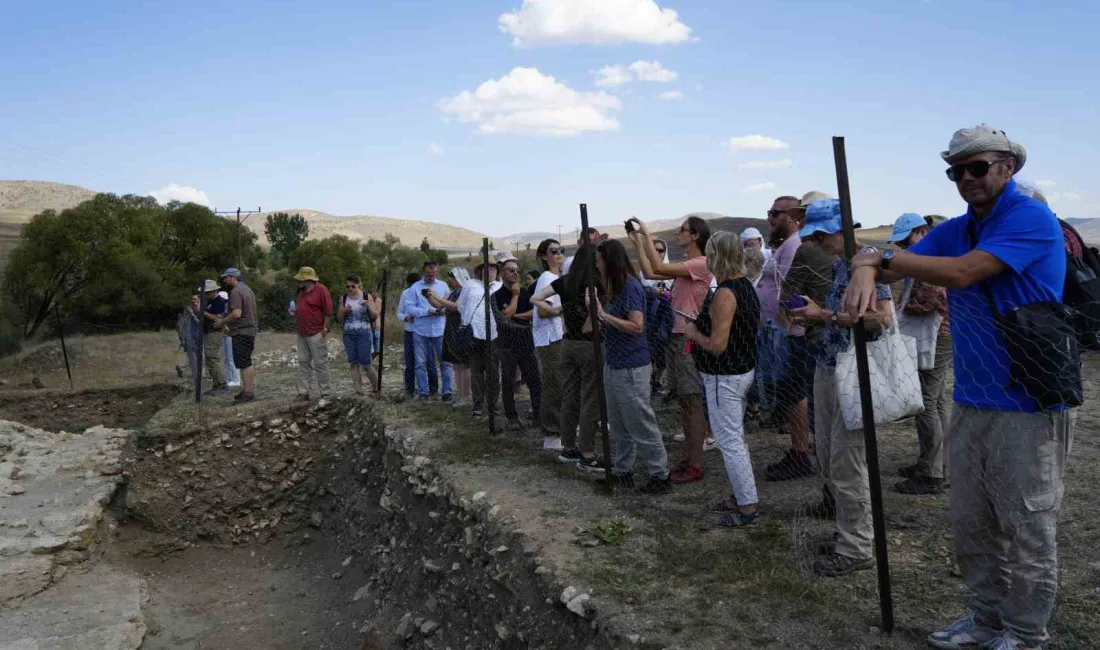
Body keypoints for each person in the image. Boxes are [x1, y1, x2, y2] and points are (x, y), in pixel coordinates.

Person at [844, 125, 1072, 650]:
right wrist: (865, 261)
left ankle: (1025, 632)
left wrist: (877, 263)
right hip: (972, 399)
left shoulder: (1029, 218)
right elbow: (893, 251)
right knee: (972, 522)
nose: (966, 178)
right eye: (956, 171)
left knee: (1026, 526)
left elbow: (966, 273)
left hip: (1028, 400)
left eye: (978, 166)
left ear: (1008, 166)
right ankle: (987, 618)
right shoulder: (961, 225)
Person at [786, 199, 894, 578]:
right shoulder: (837, 267)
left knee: (848, 462)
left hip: (853, 372)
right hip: (829, 366)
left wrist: (824, 315)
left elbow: (882, 321)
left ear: (839, 230)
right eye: (813, 236)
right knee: (832, 456)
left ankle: (857, 546)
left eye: (820, 234)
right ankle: (848, 532)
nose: (817, 242)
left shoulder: (871, 267)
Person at [684, 232, 761, 527]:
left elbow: (717, 344)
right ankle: (741, 496)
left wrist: (693, 334)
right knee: (735, 438)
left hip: (724, 376)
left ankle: (748, 508)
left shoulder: (726, 293)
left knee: (729, 442)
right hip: (739, 371)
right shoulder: (745, 286)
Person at [629, 216, 713, 484]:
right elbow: (652, 273)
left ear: (695, 235)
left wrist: (646, 235)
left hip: (687, 340)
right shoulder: (688, 265)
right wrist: (639, 243)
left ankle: (696, 463)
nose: (679, 233)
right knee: (685, 402)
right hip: (677, 339)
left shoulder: (699, 263)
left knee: (691, 401)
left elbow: (657, 267)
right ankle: (691, 457)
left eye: (683, 230)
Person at [595, 239, 672, 494]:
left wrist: (604, 316)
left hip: (631, 367)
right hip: (614, 363)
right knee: (618, 422)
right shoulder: (613, 287)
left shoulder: (630, 287)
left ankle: (660, 475)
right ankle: (623, 471)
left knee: (640, 421)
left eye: (599, 259)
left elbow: (637, 326)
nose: (596, 264)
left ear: (610, 261)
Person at [885, 213, 952, 495]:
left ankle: (932, 473)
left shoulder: (932, 259)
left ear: (923, 231)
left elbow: (932, 299)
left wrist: (900, 310)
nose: (903, 248)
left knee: (925, 402)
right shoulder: (931, 256)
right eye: (899, 243)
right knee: (935, 401)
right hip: (938, 335)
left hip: (936, 336)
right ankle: (937, 462)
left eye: (905, 240)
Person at [759, 195, 823, 483]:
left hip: (792, 333)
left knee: (796, 392)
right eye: (769, 213)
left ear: (791, 216)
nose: (770, 218)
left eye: (775, 213)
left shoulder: (794, 245)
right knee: (790, 391)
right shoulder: (786, 246)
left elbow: (792, 291)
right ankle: (799, 450)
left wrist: (786, 327)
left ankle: (801, 454)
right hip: (783, 332)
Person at [531, 244, 603, 471]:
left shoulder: (565, 281)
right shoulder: (595, 281)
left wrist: (557, 311)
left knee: (570, 396)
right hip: (590, 344)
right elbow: (594, 306)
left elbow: (536, 298)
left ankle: (568, 447)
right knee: (590, 398)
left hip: (567, 343)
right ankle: (587, 453)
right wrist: (592, 321)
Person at [494, 255, 542, 431]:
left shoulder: (525, 291)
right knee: (508, 381)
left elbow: (532, 313)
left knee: (534, 380)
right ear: (501, 273)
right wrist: (514, 296)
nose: (515, 273)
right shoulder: (497, 295)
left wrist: (514, 314)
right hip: (507, 344)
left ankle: (538, 414)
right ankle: (512, 418)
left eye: (516, 270)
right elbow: (504, 314)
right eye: (511, 270)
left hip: (526, 342)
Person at [532, 239, 566, 450]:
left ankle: (563, 426)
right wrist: (565, 308)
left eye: (561, 250)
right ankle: (551, 434)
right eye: (554, 251)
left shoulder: (558, 277)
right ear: (545, 257)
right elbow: (543, 311)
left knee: (562, 382)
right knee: (553, 383)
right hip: (549, 337)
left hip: (559, 335)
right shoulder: (546, 277)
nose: (559, 254)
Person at [404, 261, 452, 401]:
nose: (431, 276)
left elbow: (448, 304)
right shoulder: (415, 288)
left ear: (437, 272)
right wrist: (427, 311)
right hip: (421, 331)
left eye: (433, 273)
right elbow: (410, 308)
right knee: (420, 363)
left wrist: (442, 310)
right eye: (428, 274)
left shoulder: (443, 286)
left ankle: (447, 392)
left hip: (440, 329)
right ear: (423, 272)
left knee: (445, 362)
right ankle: (424, 392)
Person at [458, 263, 500, 417]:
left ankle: (493, 404)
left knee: (493, 371)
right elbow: (461, 306)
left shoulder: (499, 286)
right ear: (480, 271)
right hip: (474, 334)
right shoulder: (470, 285)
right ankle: (478, 403)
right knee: (476, 371)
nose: (490, 270)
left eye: (494, 268)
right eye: (487, 268)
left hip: (494, 335)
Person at [214, 268, 258, 403]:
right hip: (248, 329)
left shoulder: (235, 292)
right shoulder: (247, 289)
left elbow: (237, 313)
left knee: (245, 362)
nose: (225, 280)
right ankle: (246, 390)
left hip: (242, 330)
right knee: (243, 361)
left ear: (233, 277)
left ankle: (248, 392)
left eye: (226, 277)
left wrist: (222, 321)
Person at [292, 266, 334, 401]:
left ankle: (325, 392)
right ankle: (303, 393)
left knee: (320, 363)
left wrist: (325, 329)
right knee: (303, 362)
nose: (299, 281)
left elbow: (328, 312)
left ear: (307, 279)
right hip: (302, 332)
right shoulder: (300, 291)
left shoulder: (321, 290)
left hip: (316, 332)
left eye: (301, 279)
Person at [338, 274, 379, 395]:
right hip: (348, 334)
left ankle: (376, 388)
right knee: (353, 363)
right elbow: (339, 318)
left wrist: (368, 306)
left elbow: (375, 315)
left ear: (359, 285)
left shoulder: (367, 297)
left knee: (366, 364)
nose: (350, 289)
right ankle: (358, 391)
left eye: (352, 286)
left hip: (364, 333)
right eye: (347, 286)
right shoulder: (344, 298)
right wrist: (343, 311)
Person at [396, 272, 430, 400]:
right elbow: (399, 313)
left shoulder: (427, 293)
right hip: (410, 331)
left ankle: (429, 390)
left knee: (427, 361)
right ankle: (410, 389)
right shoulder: (405, 294)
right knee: (410, 361)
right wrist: (406, 317)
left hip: (425, 331)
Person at [198, 280, 229, 395]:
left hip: (214, 332)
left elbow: (218, 318)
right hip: (208, 331)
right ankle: (217, 384)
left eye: (207, 292)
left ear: (214, 291)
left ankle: (222, 384)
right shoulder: (209, 302)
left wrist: (203, 313)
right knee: (210, 359)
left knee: (212, 358)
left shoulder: (219, 302)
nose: (205, 294)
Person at [218, 289, 241, 388]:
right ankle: (229, 379)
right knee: (227, 359)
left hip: (230, 335)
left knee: (231, 358)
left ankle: (236, 379)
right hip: (224, 334)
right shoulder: (223, 309)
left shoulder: (229, 309)